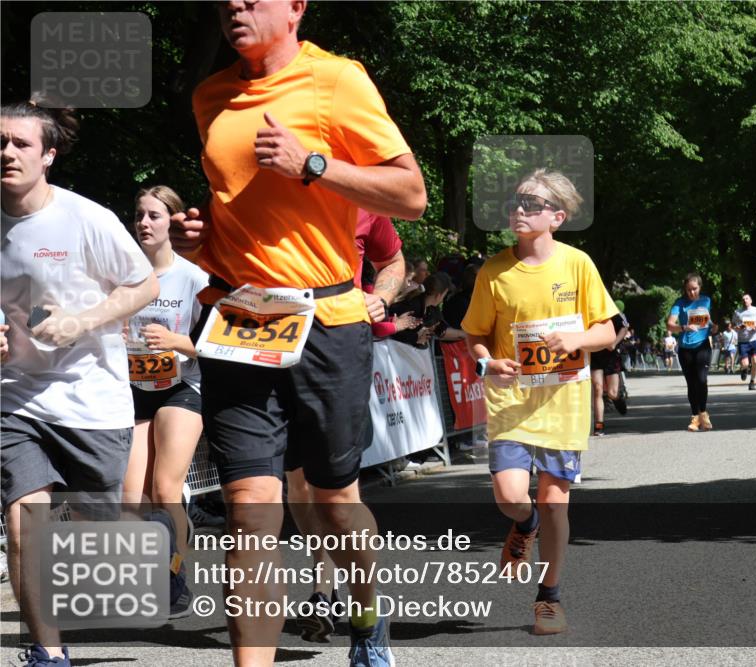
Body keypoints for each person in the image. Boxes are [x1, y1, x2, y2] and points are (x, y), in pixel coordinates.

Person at [169, 2, 426, 665]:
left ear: (296, 8)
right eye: (227, 1)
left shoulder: (338, 81)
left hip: (329, 322)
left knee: (336, 503)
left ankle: (367, 617)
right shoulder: (211, 96)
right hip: (241, 317)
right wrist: (195, 243)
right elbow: (241, 216)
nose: (235, 9)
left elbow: (411, 194)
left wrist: (313, 164)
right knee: (249, 511)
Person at [2, 98, 159, 667]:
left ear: (49, 155)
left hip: (91, 399)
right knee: (25, 524)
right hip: (14, 399)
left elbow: (141, 285)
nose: (7, 152)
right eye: (0, 141)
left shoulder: (84, 218)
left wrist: (83, 321)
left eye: (21, 143)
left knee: (100, 524)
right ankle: (48, 652)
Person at [462, 169, 615, 636]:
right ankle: (522, 525)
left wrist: (575, 338)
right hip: (511, 398)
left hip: (563, 401)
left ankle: (548, 597)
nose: (519, 211)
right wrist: (488, 362)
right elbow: (474, 336)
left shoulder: (578, 265)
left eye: (531, 204)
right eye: (515, 202)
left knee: (555, 505)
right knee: (511, 496)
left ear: (557, 217)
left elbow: (608, 332)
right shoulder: (494, 271)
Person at [285, 208, 409, 643]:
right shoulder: (255, 184)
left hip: (336, 349)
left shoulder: (359, 192)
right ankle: (324, 586)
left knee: (336, 493)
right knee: (297, 487)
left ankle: (364, 610)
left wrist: (383, 297)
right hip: (272, 347)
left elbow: (393, 261)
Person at [123, 185, 208, 618]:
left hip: (182, 388)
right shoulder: (124, 276)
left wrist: (177, 341)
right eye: (139, 215)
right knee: (131, 497)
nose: (144, 223)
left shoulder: (194, 277)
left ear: (172, 222)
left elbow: (215, 343)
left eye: (154, 215)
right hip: (136, 390)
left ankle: (175, 578)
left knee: (164, 488)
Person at [667, 273, 717, 431]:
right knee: (692, 382)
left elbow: (707, 320)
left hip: (702, 345)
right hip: (686, 348)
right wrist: (684, 327)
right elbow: (669, 324)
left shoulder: (706, 300)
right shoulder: (679, 304)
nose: (692, 293)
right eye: (688, 290)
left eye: (694, 289)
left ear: (700, 287)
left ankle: (703, 414)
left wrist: (714, 327)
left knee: (702, 380)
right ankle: (695, 417)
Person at [591, 308, 629, 436]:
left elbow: (624, 328)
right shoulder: (585, 311)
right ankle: (599, 425)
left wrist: (614, 343)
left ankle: (617, 398)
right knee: (598, 389)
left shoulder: (609, 309)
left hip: (610, 355)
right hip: (594, 354)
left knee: (612, 393)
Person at [733, 293, 756, 390]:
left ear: (750, 301)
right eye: (743, 299)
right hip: (743, 341)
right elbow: (733, 326)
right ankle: (744, 370)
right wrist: (739, 327)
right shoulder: (737, 312)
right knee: (745, 363)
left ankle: (752, 382)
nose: (745, 300)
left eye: (747, 299)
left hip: (754, 339)